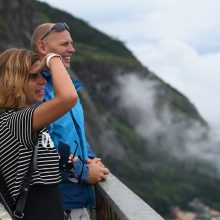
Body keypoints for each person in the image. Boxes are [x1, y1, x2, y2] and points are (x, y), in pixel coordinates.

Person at [31, 22, 109, 220]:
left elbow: (74, 133)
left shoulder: (67, 89)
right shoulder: (36, 93)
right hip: (56, 205)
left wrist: (89, 158)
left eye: (71, 43)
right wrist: (83, 172)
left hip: (77, 201)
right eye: (64, 44)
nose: (72, 49)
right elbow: (39, 151)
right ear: (43, 47)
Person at [0, 48, 78, 220]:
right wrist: (52, 57)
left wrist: (54, 161)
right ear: (13, 80)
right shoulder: (17, 121)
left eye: (43, 74)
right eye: (33, 76)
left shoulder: (22, 121)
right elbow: (69, 97)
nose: (43, 81)